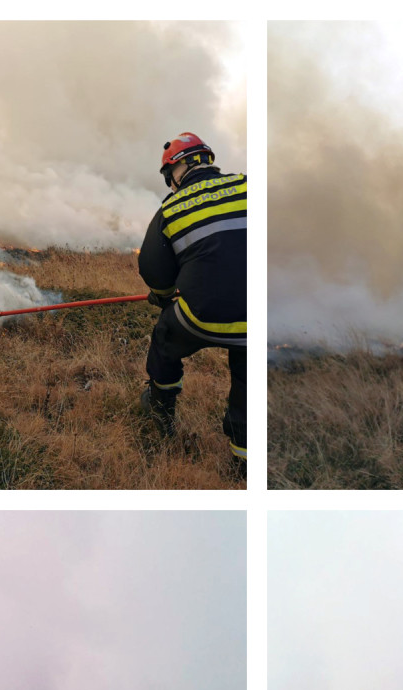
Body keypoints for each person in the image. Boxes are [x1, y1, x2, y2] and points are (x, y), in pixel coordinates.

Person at [138, 132, 247, 471]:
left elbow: (154, 273)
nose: (170, 183)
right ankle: (244, 461)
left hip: (202, 317)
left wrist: (163, 295)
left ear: (178, 168)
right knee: (247, 377)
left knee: (166, 337)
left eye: (168, 175)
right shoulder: (248, 185)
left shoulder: (171, 209)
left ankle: (160, 410)